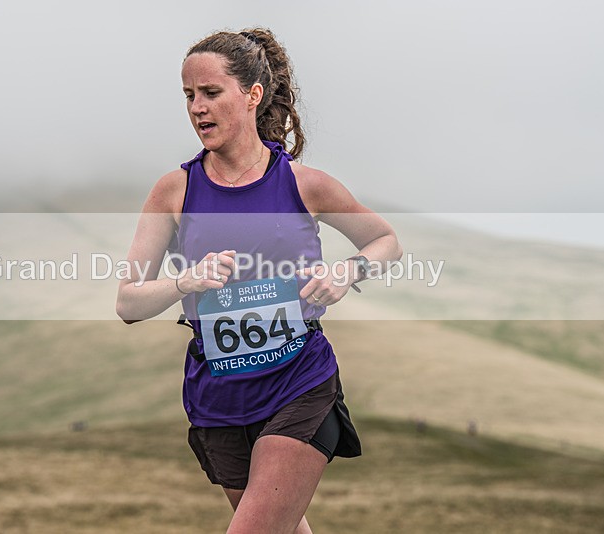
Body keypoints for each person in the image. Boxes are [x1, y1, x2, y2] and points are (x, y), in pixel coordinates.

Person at [116, 28, 402, 534]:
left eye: (210, 93)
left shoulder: (302, 183)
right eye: (188, 96)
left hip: (297, 380)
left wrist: (345, 272)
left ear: (252, 95)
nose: (197, 108)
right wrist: (187, 282)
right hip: (218, 397)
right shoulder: (174, 191)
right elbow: (129, 303)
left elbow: (384, 241)